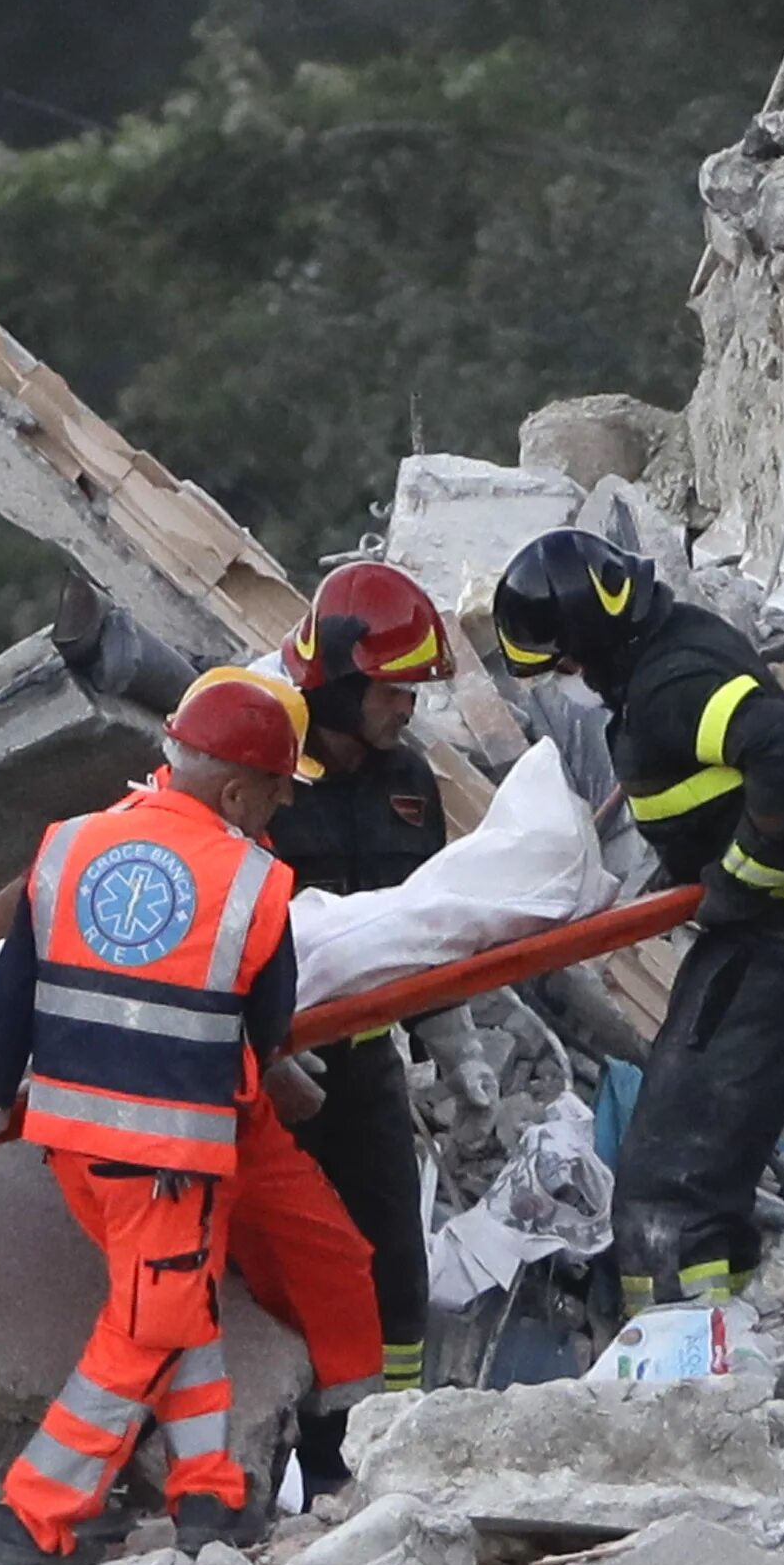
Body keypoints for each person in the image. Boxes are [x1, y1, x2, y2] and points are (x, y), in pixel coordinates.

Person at [0, 668, 386, 1565]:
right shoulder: (254, 883)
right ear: (235, 790)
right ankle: (34, 1513)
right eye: (275, 790)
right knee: (146, 1327)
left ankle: (209, 1493)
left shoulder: (69, 846)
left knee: (178, 1308)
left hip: (74, 1143)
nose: (279, 808)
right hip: (169, 1153)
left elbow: (8, 994)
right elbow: (266, 1027)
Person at [489, 529, 784, 1312]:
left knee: (664, 1182)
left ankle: (677, 1354)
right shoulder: (661, 656)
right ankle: (718, 1326)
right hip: (770, 932)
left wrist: (744, 869)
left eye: (564, 659)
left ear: (589, 635)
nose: (569, 676)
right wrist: (696, 864)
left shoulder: (667, 684)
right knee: (695, 1162)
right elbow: (718, 784)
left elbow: (783, 741)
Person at [259, 561, 468, 1420]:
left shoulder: (409, 785)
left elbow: (425, 921)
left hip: (363, 1063)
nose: (406, 706)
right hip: (264, 1076)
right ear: (341, 679)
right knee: (280, 1274)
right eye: (392, 689)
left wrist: (452, 1034)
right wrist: (263, 1046)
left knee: (394, 1270)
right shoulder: (260, 769)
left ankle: (394, 1437)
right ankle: (292, 1449)